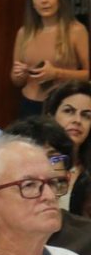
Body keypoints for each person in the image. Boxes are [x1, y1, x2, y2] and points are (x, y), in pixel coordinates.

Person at [0, 115, 91, 255]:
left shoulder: (85, 236)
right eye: (30, 184)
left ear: (67, 175)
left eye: (52, 157)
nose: (43, 165)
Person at [11, 0, 89, 118]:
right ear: (32, 2)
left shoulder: (76, 30)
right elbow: (16, 80)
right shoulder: (24, 32)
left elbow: (88, 74)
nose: (44, 0)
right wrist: (19, 75)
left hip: (63, 105)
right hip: (29, 106)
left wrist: (57, 73)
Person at [44, 80, 91, 215]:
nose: (77, 120)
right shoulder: (30, 162)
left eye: (86, 116)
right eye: (68, 111)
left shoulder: (87, 170)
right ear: (51, 117)